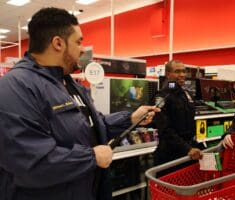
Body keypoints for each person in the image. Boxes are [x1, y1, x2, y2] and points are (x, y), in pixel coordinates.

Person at [0, 7, 160, 200]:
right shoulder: (15, 87)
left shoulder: (68, 83)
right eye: (78, 42)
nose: (83, 49)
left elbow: (92, 127)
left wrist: (130, 118)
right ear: (58, 43)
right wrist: (91, 157)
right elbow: (30, 162)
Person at [153, 60, 202, 169]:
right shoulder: (162, 96)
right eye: (177, 71)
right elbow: (164, 129)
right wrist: (187, 149)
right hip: (170, 154)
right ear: (168, 74)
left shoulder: (186, 93)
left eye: (184, 71)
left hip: (189, 151)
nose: (182, 75)